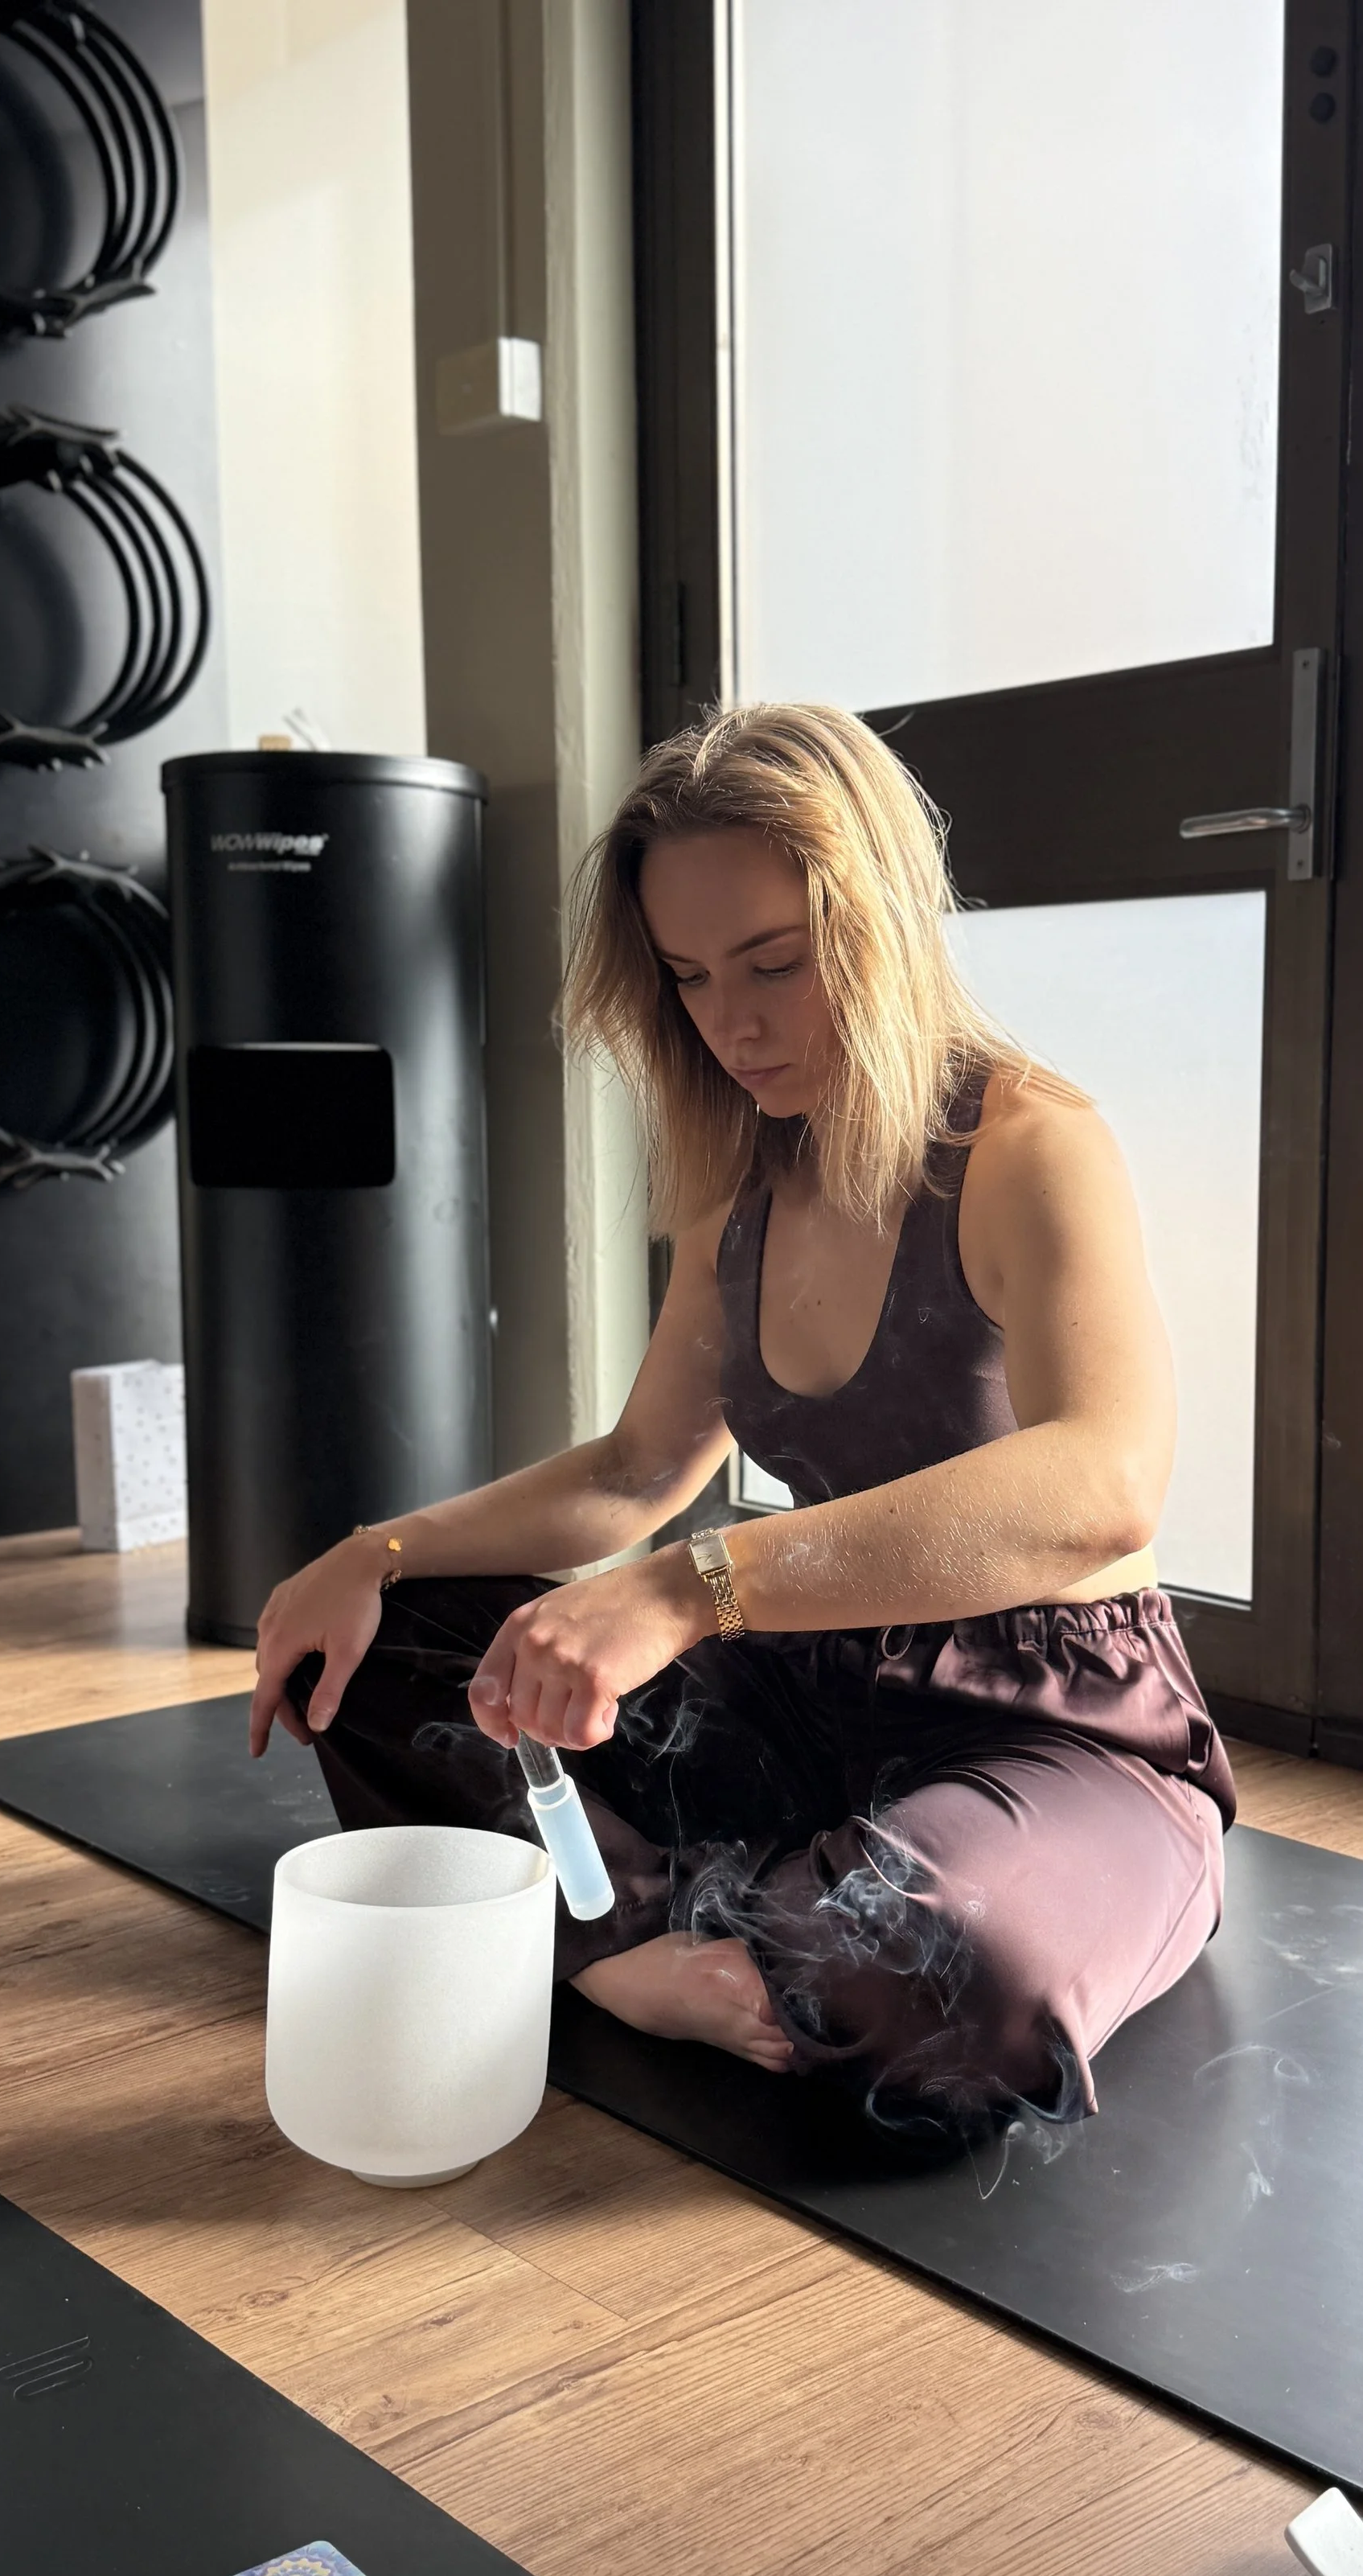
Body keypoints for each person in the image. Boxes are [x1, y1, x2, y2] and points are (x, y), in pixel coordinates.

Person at [249, 701, 1234, 2126]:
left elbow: (1105, 1484)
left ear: (884, 925)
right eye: (693, 979)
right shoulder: (743, 1179)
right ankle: (630, 1950)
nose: (735, 1025)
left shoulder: (1033, 1147)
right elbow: (639, 1469)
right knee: (393, 1645)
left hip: (1057, 1723)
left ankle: (639, 1919)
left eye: (776, 964)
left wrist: (693, 1587)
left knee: (949, 1968)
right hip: (802, 1692)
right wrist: (374, 1553)